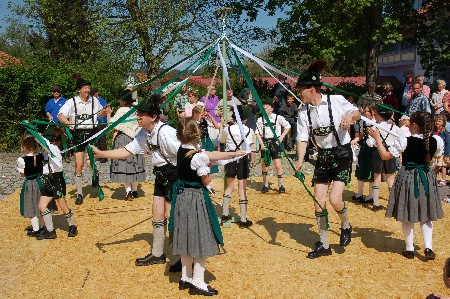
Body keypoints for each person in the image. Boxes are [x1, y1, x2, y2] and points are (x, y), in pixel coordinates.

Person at [92, 94, 181, 270]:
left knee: (171, 217)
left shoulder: (166, 133)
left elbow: (186, 153)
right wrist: (102, 154)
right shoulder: (144, 133)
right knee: (157, 214)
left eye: (142, 114)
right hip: (161, 175)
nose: (138, 117)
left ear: (153, 117)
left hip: (174, 175)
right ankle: (157, 254)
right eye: (138, 113)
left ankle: (179, 258)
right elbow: (127, 150)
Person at [170, 117, 245, 296]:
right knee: (201, 236)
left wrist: (233, 153)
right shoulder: (198, 156)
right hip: (195, 198)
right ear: (197, 134)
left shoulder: (181, 150)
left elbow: (210, 156)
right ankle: (198, 281)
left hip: (181, 197)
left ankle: (185, 277)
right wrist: (208, 168)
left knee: (187, 236)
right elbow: (206, 180)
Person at [295, 60, 361, 258]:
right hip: (322, 157)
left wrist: (351, 118)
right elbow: (302, 137)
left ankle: (345, 224)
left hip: (341, 154)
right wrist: (299, 160)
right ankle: (324, 244)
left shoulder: (336, 100)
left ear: (311, 89)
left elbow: (357, 111)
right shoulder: (303, 112)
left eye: (301, 90)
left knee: (334, 200)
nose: (298, 93)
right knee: (318, 202)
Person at [368, 111, 443, 260]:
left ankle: (409, 249)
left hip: (409, 176)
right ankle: (428, 248)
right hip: (427, 177)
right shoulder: (436, 140)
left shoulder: (405, 141)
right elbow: (437, 156)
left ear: (414, 125)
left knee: (408, 214)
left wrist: (377, 138)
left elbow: (385, 156)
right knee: (426, 214)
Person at [58, 77, 111, 205]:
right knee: (79, 165)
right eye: (85, 88)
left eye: (88, 87)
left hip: (91, 133)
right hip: (78, 134)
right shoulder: (72, 102)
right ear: (78, 90)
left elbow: (98, 115)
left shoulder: (95, 101)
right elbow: (60, 116)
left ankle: (95, 175)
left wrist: (105, 111)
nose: (88, 90)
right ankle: (80, 194)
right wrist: (69, 124)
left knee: (90, 163)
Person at [35, 132, 78, 239]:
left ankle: (72, 226)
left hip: (56, 178)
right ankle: (50, 231)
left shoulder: (53, 148)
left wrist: (32, 130)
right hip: (47, 180)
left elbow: (42, 141)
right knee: (42, 206)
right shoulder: (45, 150)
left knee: (62, 204)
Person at [219, 106, 254, 228]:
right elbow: (250, 147)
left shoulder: (228, 129)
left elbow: (221, 140)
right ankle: (243, 220)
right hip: (243, 159)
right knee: (242, 189)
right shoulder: (250, 130)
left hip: (230, 157)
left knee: (229, 187)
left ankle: (225, 214)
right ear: (245, 118)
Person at [109, 90, 146, 200]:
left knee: (124, 164)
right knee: (135, 164)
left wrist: (108, 114)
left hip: (123, 138)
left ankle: (128, 191)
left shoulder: (121, 110)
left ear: (123, 100)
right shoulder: (137, 110)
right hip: (137, 139)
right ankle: (135, 191)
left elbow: (112, 124)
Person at [365, 104, 403, 210]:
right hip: (391, 152)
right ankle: (394, 204)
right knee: (390, 177)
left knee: (376, 177)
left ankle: (376, 203)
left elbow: (369, 143)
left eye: (376, 114)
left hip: (378, 151)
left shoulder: (374, 127)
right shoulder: (395, 128)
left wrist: (374, 140)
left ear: (380, 116)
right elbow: (399, 140)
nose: (374, 116)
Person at [255, 98, 291, 193]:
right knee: (265, 165)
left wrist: (281, 138)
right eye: (263, 108)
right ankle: (265, 185)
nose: (264, 109)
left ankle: (281, 185)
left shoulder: (278, 118)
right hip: (265, 143)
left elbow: (288, 126)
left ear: (272, 108)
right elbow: (257, 133)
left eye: (266, 107)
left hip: (275, 142)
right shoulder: (260, 119)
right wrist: (261, 144)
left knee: (278, 165)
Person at [17, 134, 45, 237]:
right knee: (41, 206)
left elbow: (22, 174)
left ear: (24, 146)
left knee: (31, 207)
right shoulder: (41, 155)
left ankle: (36, 230)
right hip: (41, 182)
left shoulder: (22, 160)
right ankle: (42, 227)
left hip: (30, 184)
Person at [351, 105, 376, 203]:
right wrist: (355, 140)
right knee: (361, 169)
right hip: (364, 148)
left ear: (372, 112)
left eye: (368, 111)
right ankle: (360, 193)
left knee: (371, 172)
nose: (366, 113)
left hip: (373, 150)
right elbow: (361, 135)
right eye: (365, 111)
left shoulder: (376, 123)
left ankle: (371, 195)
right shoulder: (362, 121)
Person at [45, 86, 69, 162]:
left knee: (64, 140)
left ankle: (67, 155)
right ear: (52, 93)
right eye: (54, 91)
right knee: (54, 139)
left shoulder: (64, 101)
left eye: (57, 91)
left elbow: (69, 111)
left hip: (62, 124)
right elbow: (47, 111)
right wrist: (49, 116)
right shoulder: (50, 102)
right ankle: (57, 155)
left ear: (59, 92)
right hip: (53, 124)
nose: (56, 93)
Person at [90, 88, 110, 163]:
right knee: (97, 139)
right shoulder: (92, 100)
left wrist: (104, 119)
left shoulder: (101, 100)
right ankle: (99, 154)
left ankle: (104, 156)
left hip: (101, 121)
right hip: (95, 122)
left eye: (93, 94)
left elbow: (106, 110)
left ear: (96, 93)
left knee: (102, 139)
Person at [432, 115, 450, 187]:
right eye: (436, 121)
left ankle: (443, 179)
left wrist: (447, 154)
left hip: (443, 152)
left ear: (443, 122)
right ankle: (434, 178)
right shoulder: (434, 132)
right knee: (436, 165)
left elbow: (448, 143)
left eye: (439, 121)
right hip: (436, 152)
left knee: (443, 166)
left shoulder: (444, 132)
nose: (437, 122)